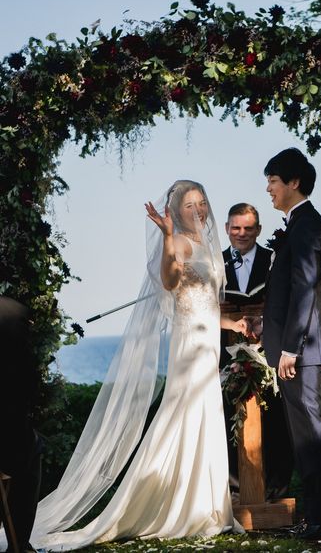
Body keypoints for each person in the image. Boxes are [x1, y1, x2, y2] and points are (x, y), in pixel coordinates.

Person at [29, 180, 245, 551]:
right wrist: (167, 238)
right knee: (183, 413)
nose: (198, 209)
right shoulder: (179, 242)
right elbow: (171, 283)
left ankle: (206, 504)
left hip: (208, 339)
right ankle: (176, 504)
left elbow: (206, 300)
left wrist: (232, 324)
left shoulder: (208, 244)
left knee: (205, 413)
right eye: (189, 204)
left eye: (201, 202)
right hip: (190, 345)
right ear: (176, 211)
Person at [256, 148, 321, 540]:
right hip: (295, 349)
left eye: (273, 181)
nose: (268, 189)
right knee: (304, 436)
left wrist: (290, 348)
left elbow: (305, 289)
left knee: (310, 436)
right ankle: (320, 516)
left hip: (301, 351)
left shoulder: (306, 225)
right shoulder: (298, 224)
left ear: (294, 182)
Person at [220, 203, 293, 500]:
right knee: (228, 415)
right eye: (236, 228)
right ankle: (234, 487)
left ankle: (276, 486)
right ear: (226, 229)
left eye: (248, 228)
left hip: (268, 346)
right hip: (225, 348)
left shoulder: (272, 258)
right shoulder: (215, 263)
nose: (242, 233)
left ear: (259, 230)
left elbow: (285, 298)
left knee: (274, 416)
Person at [0, 296, 42, 553]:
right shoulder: (13, 313)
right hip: (7, 441)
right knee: (30, 450)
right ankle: (20, 542)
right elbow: (28, 387)